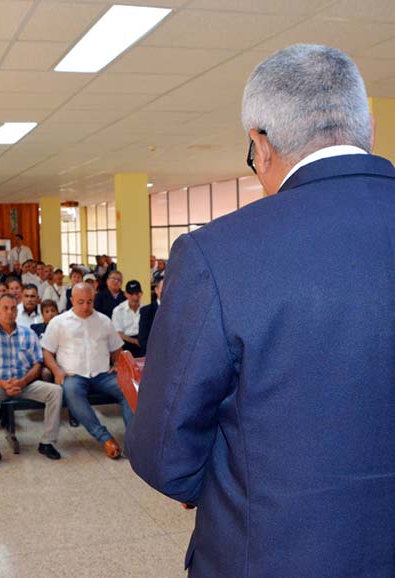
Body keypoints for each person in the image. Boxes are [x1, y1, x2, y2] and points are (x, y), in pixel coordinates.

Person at [128, 44, 395, 578]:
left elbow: (164, 451)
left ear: (260, 143)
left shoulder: (218, 254)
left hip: (275, 554)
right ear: (367, 124)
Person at [0, 294, 63, 469]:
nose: (10, 312)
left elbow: (37, 364)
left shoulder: (28, 334)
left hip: (26, 383)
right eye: (5, 308)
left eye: (13, 308)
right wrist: (2, 383)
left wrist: (22, 382)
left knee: (55, 391)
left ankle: (47, 442)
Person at [42, 283, 130, 459]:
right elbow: (47, 352)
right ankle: (105, 438)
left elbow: (116, 348)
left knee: (130, 390)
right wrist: (57, 372)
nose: (85, 306)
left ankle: (133, 441)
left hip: (103, 374)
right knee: (72, 391)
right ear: (71, 300)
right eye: (80, 302)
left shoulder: (104, 321)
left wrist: (117, 364)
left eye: (89, 302)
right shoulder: (58, 322)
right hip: (73, 376)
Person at [111, 280, 143, 357]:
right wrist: (135, 341)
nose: (135, 297)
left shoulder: (145, 309)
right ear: (125, 294)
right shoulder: (118, 310)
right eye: (131, 294)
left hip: (142, 341)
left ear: (141, 294)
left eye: (137, 294)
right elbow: (119, 334)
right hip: (126, 343)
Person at [137, 280, 162, 358]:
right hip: (152, 356)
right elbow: (143, 339)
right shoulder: (146, 311)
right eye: (163, 288)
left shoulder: (178, 311)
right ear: (156, 290)